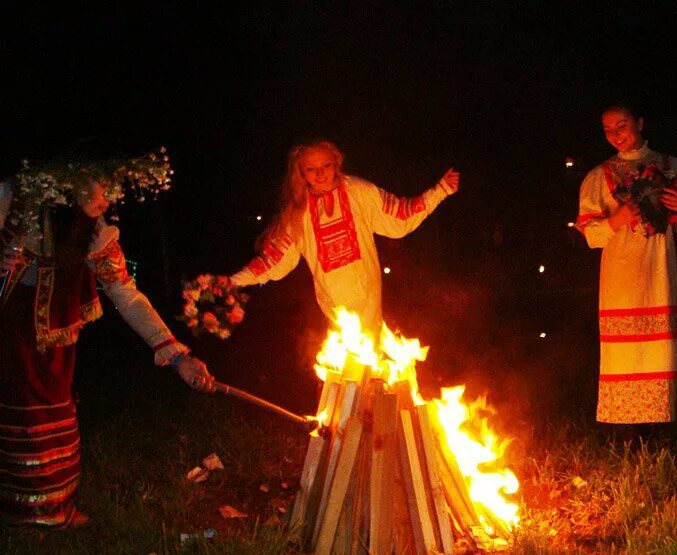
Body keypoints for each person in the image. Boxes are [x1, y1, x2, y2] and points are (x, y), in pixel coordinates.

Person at [0, 168, 215, 528]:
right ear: (74, 180)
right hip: (10, 333)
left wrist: (179, 356)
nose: (110, 198)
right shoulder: (15, 201)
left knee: (54, 418)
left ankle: (49, 513)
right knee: (21, 419)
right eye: (105, 187)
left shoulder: (95, 231)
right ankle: (31, 518)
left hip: (54, 341)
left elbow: (125, 294)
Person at [229, 140, 460, 336]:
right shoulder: (297, 213)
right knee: (342, 369)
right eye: (310, 169)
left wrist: (439, 191)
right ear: (300, 172)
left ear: (336, 163)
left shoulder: (359, 191)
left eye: (326, 165)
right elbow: (273, 261)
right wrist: (232, 282)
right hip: (332, 305)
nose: (320, 174)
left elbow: (400, 216)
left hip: (369, 297)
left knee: (370, 364)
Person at [575, 104, 677, 428]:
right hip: (620, 274)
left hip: (658, 270)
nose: (616, 135)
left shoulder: (672, 167)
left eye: (622, 126)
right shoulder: (598, 176)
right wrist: (618, 219)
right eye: (608, 130)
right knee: (624, 354)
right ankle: (626, 429)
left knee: (657, 349)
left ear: (640, 123)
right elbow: (591, 234)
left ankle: (658, 425)